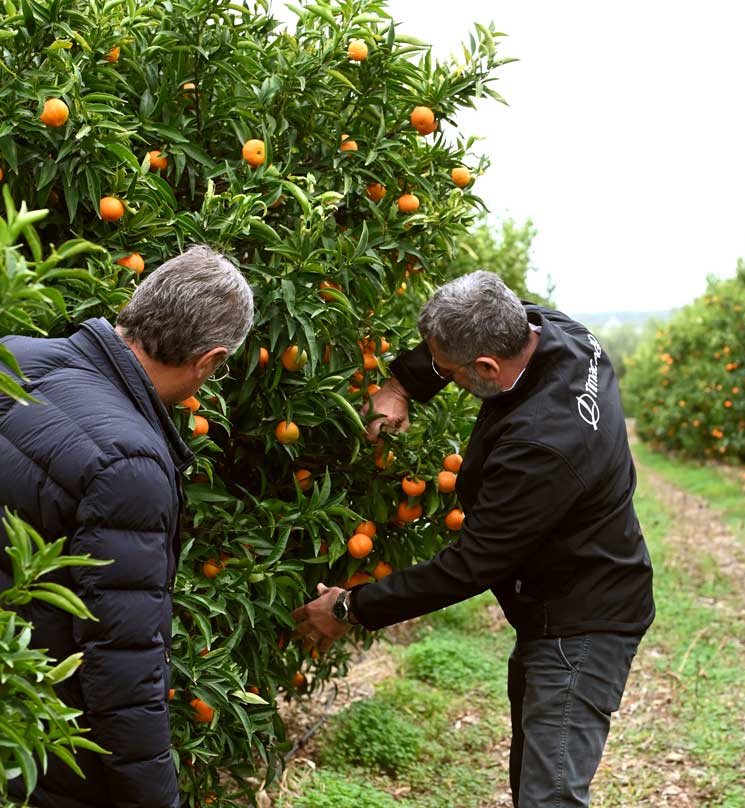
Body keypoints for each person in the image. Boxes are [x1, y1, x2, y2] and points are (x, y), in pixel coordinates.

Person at [292, 270, 655, 808]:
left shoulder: (542, 446)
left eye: (450, 372)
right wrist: (399, 385)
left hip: (582, 624)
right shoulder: (557, 333)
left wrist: (350, 608)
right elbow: (481, 322)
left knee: (549, 794)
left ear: (486, 368)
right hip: (567, 597)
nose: (446, 377)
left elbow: (470, 565)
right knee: (534, 778)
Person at [0, 245, 254, 808]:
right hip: (43, 747)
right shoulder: (131, 464)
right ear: (209, 361)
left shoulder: (12, 354)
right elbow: (121, 665)